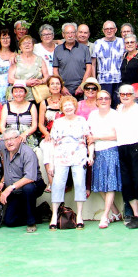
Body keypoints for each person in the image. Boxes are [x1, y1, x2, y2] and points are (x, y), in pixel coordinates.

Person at [47, 95, 91, 230]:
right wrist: (51, 163)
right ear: (62, 108)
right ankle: (54, 215)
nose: (68, 107)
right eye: (65, 105)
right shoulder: (58, 122)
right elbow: (52, 143)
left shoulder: (82, 120)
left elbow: (89, 139)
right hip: (61, 155)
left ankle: (80, 216)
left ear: (75, 106)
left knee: (79, 183)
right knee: (58, 184)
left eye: (70, 105)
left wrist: (91, 155)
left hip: (79, 155)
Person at [115, 85, 138, 228]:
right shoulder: (119, 110)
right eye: (122, 94)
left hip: (136, 147)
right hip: (122, 147)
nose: (125, 96)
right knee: (127, 183)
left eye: (128, 94)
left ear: (134, 95)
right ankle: (136, 214)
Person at [0, 127, 45, 232]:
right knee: (9, 221)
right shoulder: (3, 146)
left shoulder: (28, 153)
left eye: (12, 139)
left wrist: (9, 188)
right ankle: (40, 213)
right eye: (6, 140)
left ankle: (31, 222)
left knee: (28, 188)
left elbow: (30, 177)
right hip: (16, 191)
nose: (9, 142)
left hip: (33, 186)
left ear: (20, 138)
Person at [88, 90, 121, 228]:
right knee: (100, 185)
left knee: (110, 184)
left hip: (112, 151)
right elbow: (89, 137)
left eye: (106, 98)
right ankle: (116, 213)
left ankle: (105, 216)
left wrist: (97, 137)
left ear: (110, 100)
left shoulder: (115, 115)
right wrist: (90, 154)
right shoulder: (92, 115)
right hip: (97, 152)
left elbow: (116, 135)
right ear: (96, 101)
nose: (103, 100)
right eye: (100, 98)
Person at [53, 22, 94, 96]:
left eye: (72, 32)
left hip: (81, 88)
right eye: (67, 33)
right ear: (63, 34)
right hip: (64, 89)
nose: (70, 35)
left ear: (76, 34)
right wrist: (61, 87)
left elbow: (89, 68)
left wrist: (82, 86)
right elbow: (55, 70)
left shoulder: (84, 49)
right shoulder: (58, 49)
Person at [8, 35, 50, 103]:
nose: (27, 45)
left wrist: (41, 81)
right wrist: (25, 83)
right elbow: (10, 79)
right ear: (20, 47)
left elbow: (47, 77)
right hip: (18, 97)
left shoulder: (40, 60)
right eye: (24, 43)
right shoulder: (15, 60)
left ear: (33, 46)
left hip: (36, 97)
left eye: (29, 43)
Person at [93, 21, 125, 105]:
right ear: (103, 31)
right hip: (103, 81)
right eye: (106, 29)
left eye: (111, 28)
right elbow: (93, 64)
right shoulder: (98, 43)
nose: (109, 31)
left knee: (119, 105)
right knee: (105, 105)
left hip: (119, 80)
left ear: (116, 30)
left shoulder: (122, 42)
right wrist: (94, 80)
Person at [0, 84, 38, 149]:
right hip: (9, 135)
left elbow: (34, 126)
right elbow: (1, 127)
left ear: (25, 93)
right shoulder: (6, 106)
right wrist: (10, 136)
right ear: (12, 93)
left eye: (21, 91)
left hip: (26, 136)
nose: (18, 94)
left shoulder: (32, 106)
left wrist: (24, 134)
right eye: (16, 92)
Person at [0, 28, 16, 102]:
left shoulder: (16, 54)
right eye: (3, 38)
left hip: (12, 89)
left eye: (8, 38)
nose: (5, 40)